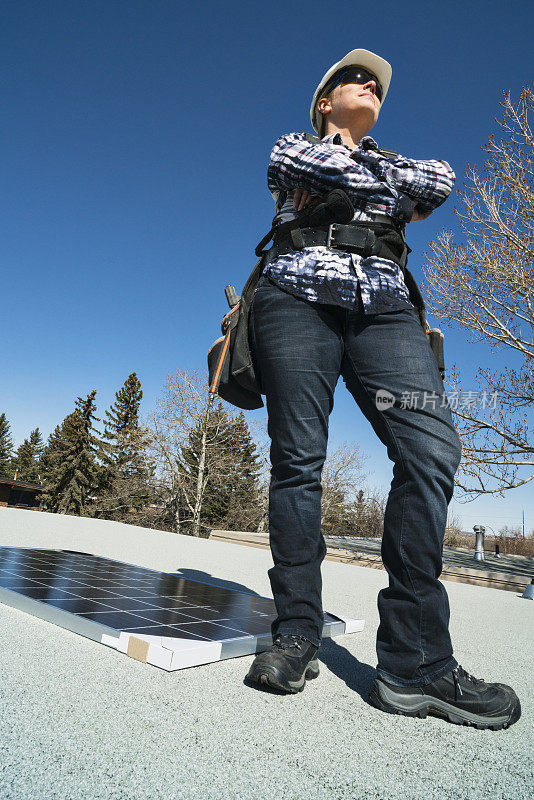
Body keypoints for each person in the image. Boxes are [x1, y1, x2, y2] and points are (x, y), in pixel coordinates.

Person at [244, 48, 521, 730]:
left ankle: (414, 662)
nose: (368, 85)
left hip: (386, 311)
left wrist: (373, 172)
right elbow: (306, 166)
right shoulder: (291, 146)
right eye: (352, 79)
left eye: (376, 84)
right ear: (323, 104)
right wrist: (378, 178)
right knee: (299, 465)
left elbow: (439, 180)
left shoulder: (399, 162)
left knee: (432, 452)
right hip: (295, 300)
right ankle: (297, 634)